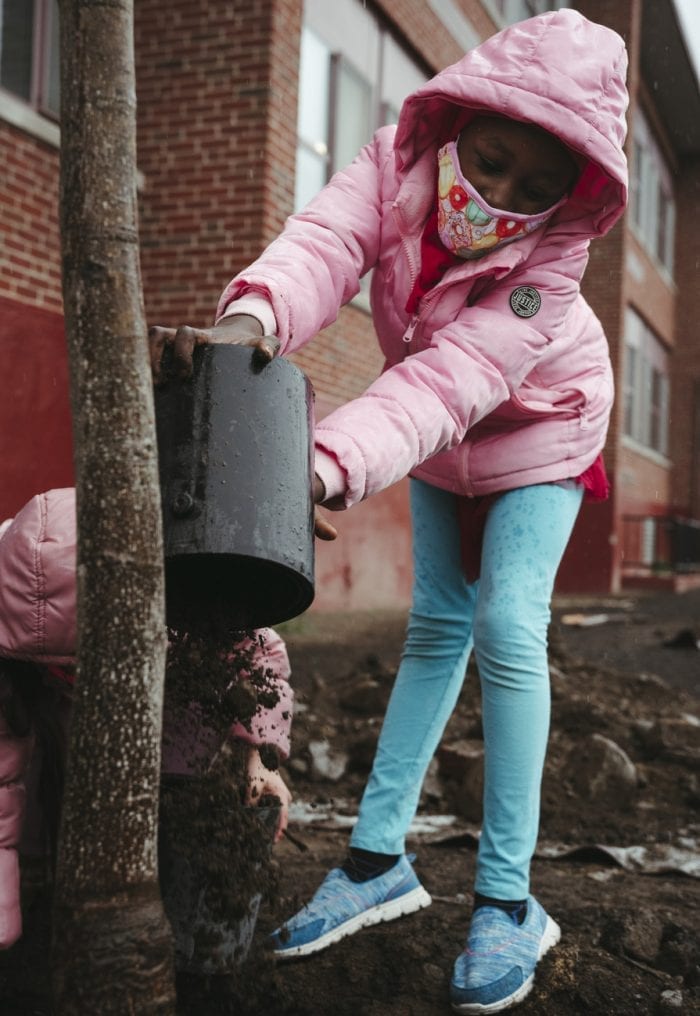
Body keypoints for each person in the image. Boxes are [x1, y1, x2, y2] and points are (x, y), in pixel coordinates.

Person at [148, 10, 629, 1012]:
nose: (496, 198)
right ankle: (376, 865)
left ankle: (507, 898)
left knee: (504, 625)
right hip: (442, 437)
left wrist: (314, 470)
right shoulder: (394, 164)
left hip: (541, 428)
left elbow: (450, 379)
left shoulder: (547, 274)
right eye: (488, 162)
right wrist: (247, 327)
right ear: (458, 123)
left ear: (570, 198)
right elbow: (323, 244)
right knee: (434, 630)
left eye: (533, 190)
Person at [0, 486, 295, 950]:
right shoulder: (11, 636)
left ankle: (163, 872)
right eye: (61, 663)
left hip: (160, 692)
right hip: (48, 705)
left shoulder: (175, 598)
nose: (73, 672)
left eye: (79, 661)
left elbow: (258, 657)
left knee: (170, 788)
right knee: (45, 793)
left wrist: (263, 760)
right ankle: (43, 881)